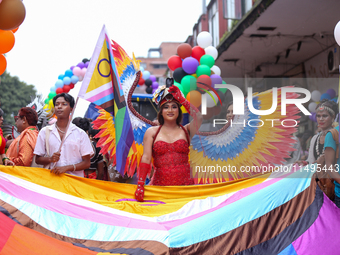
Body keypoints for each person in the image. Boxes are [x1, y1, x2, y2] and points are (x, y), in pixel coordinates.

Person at [135, 78, 203, 202]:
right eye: (166, 107)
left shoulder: (187, 130)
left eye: (174, 107)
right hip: (160, 189)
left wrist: (182, 100)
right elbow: (146, 158)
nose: (170, 110)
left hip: (186, 188)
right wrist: (140, 184)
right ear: (161, 112)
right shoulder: (152, 132)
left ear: (179, 110)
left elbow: (198, 117)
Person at [34, 93, 94, 177]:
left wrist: (66, 168)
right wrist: (50, 159)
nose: (59, 107)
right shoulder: (45, 132)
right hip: (53, 180)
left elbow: (87, 163)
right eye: (57, 104)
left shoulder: (80, 134)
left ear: (71, 109)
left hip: (74, 182)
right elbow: (37, 159)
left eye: (64, 104)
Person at [302, 100, 338, 166]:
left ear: (333, 117)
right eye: (318, 116)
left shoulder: (336, 136)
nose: (321, 119)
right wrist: (305, 163)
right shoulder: (315, 139)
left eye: (324, 116)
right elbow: (311, 161)